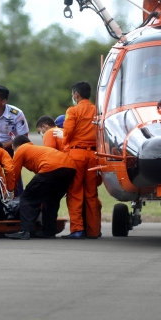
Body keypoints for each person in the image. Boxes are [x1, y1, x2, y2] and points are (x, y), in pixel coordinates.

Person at [4, 135, 76, 240]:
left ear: (17, 146)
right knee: (51, 200)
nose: (15, 152)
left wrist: (10, 190)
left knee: (27, 198)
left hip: (50, 168)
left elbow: (14, 173)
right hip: (70, 169)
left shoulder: (22, 149)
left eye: (14, 149)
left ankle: (25, 231)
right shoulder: (38, 149)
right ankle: (49, 232)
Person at [55, 81, 101, 239]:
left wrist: (64, 139)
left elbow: (67, 133)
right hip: (94, 156)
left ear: (76, 95)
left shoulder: (72, 111)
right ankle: (94, 230)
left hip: (77, 155)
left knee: (75, 192)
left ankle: (77, 229)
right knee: (91, 194)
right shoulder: (98, 110)